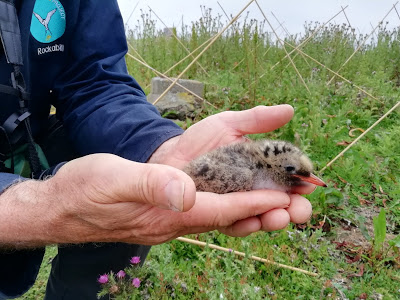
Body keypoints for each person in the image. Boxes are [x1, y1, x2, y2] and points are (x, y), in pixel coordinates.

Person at [0, 0, 315, 299]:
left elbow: (93, 80)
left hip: (24, 142)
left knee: (127, 190)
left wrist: (155, 145)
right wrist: (35, 207)